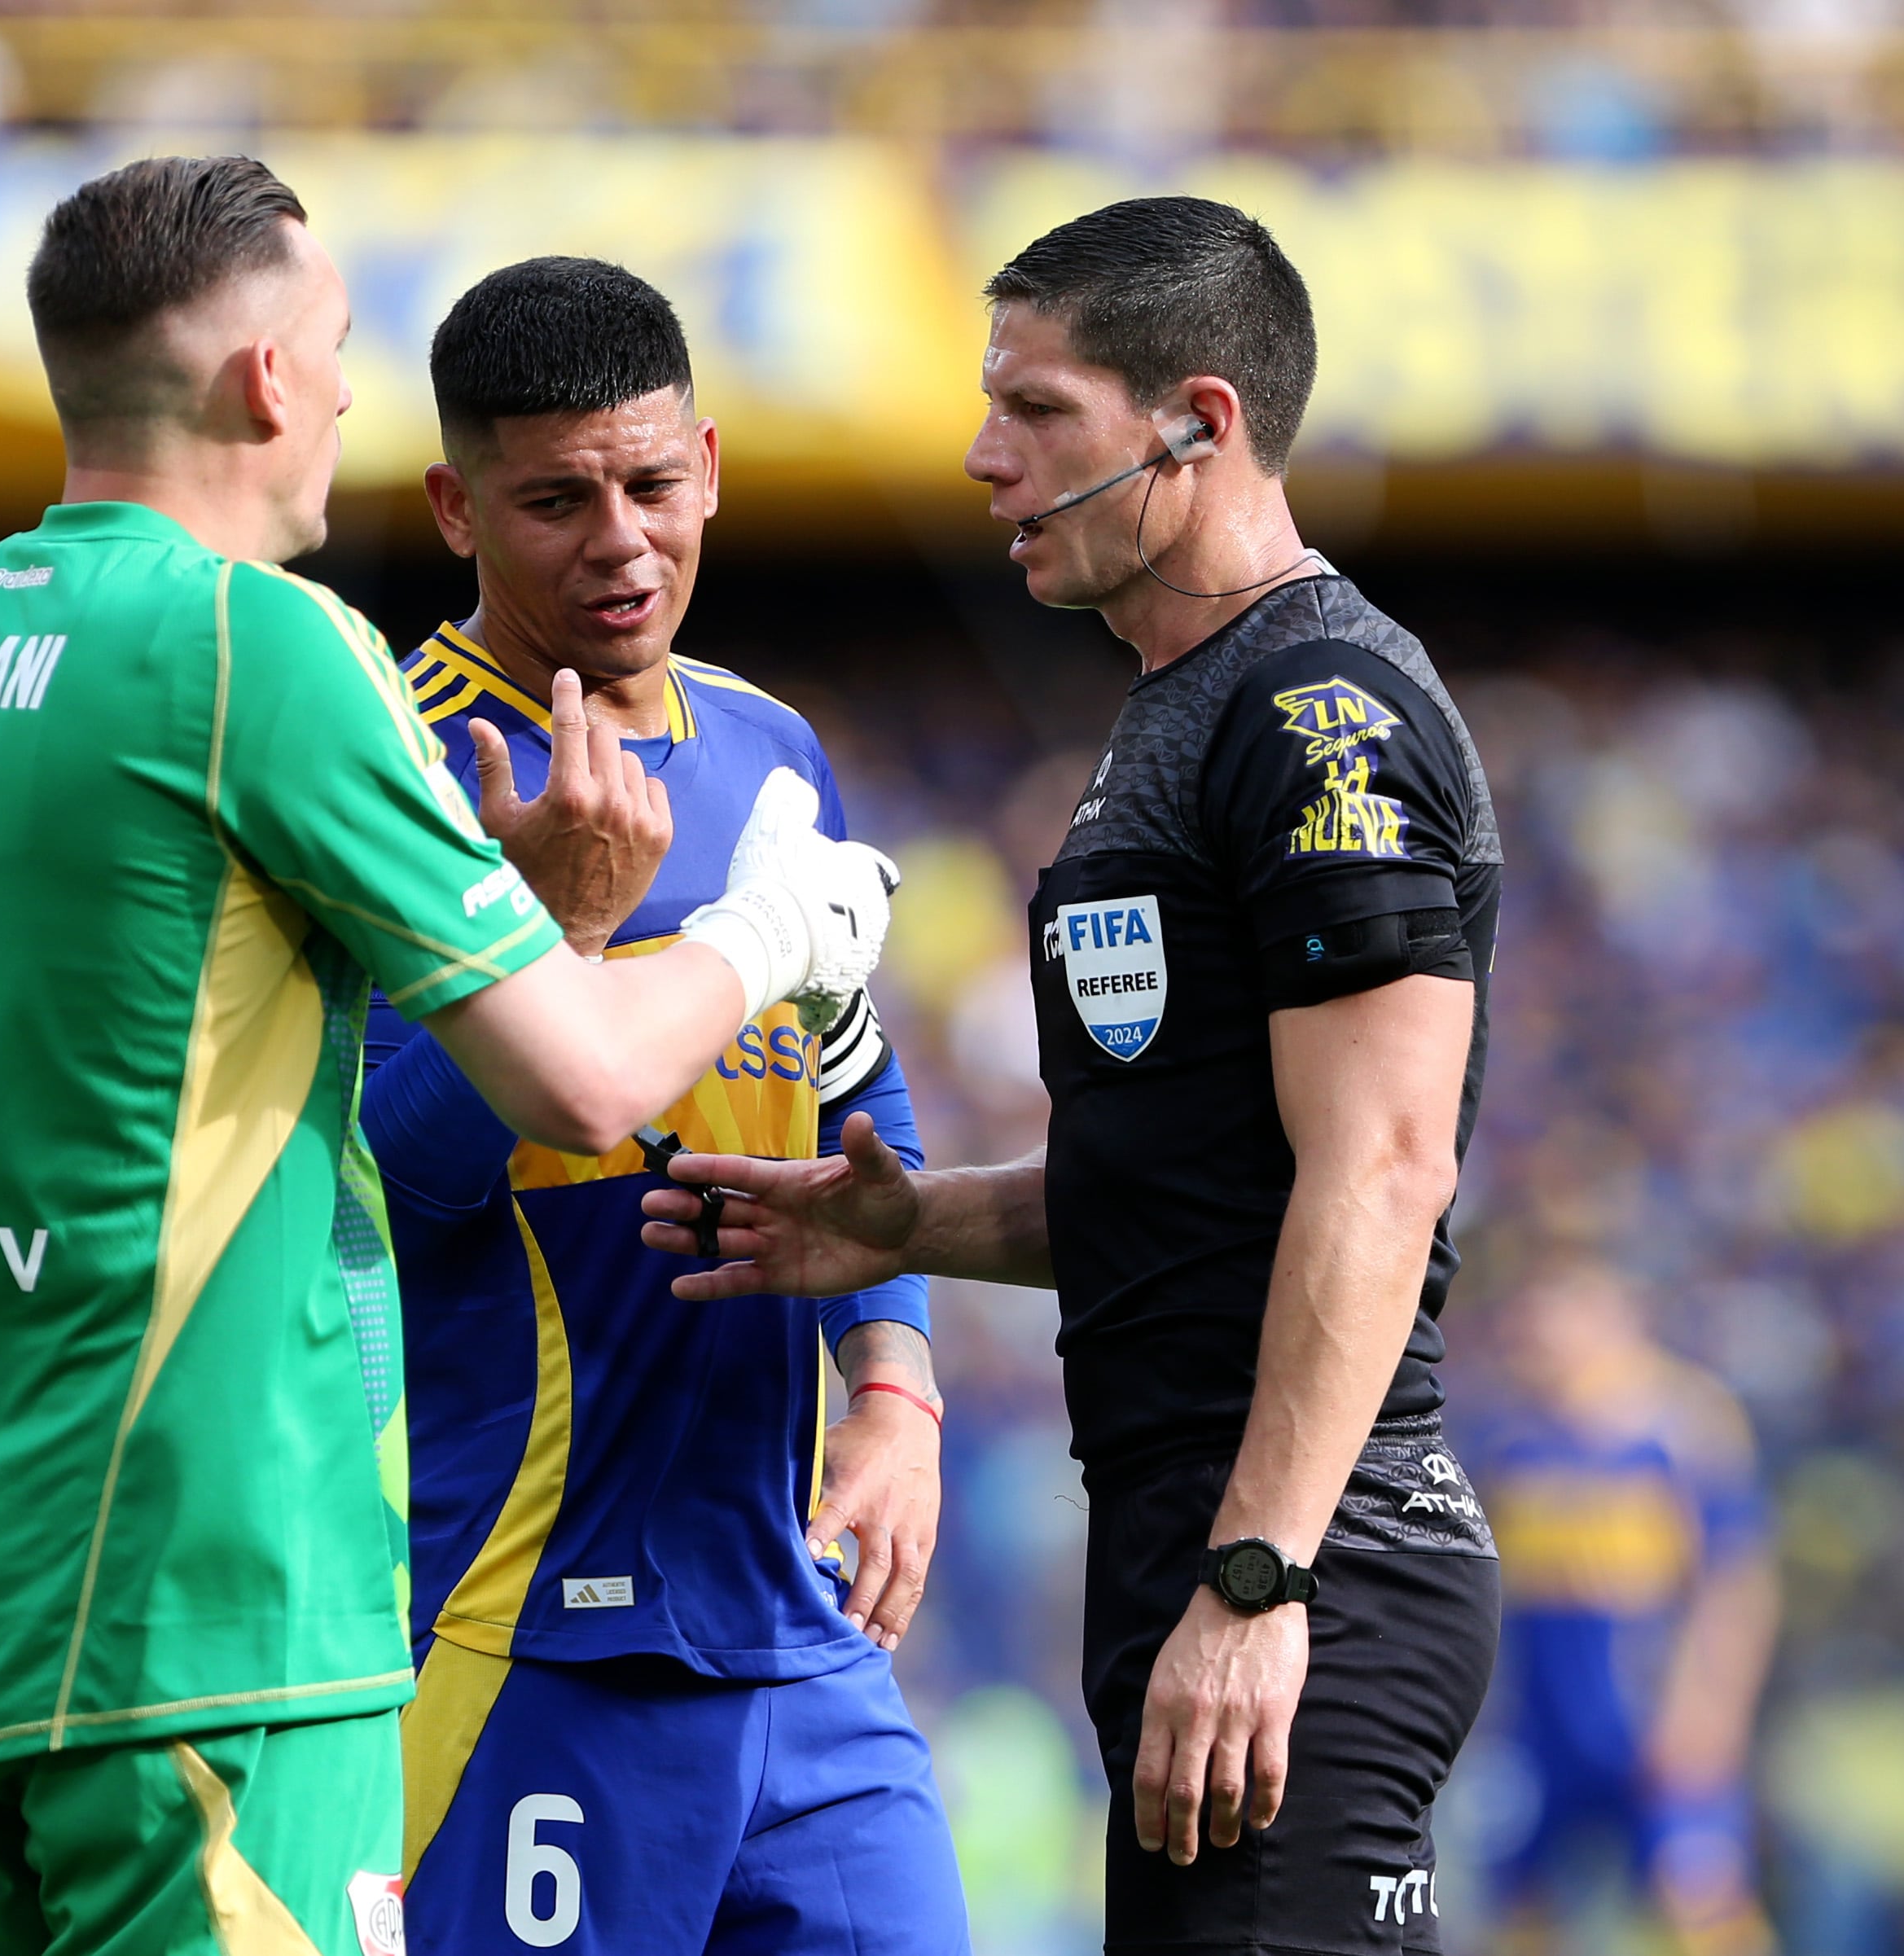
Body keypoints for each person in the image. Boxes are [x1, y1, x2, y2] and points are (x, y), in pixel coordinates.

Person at [0, 158, 895, 1956]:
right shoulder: (265, 648)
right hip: (217, 1617)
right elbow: (584, 1083)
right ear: (271, 376)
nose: (351, 399)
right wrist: (780, 929)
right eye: (344, 347)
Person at [642, 194, 1505, 1955]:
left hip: (1302, 1548)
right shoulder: (1184, 709)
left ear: (1197, 424)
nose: (983, 456)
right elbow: (1211, 1185)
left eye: (1036, 411)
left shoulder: (1316, 710)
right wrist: (908, 1225)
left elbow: (1382, 1167)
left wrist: (1258, 1575)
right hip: (1203, 1529)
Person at [361, 258, 968, 1956]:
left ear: (707, 463)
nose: (621, 542)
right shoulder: (388, 765)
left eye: (649, 484)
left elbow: (856, 1086)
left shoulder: (772, 748)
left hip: (799, 1634)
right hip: (522, 1635)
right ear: (455, 508)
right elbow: (376, 1183)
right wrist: (549, 942)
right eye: (555, 501)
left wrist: (895, 1385)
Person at [1466, 1260, 1777, 1956]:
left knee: (1699, 1905)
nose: (1529, 1343)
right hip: (1539, 1730)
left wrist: (1708, 1711)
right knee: (1518, 1912)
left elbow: (1735, 1584)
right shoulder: (1504, 1439)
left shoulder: (1686, 1427)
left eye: (1548, 1323)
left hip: (1653, 1721)